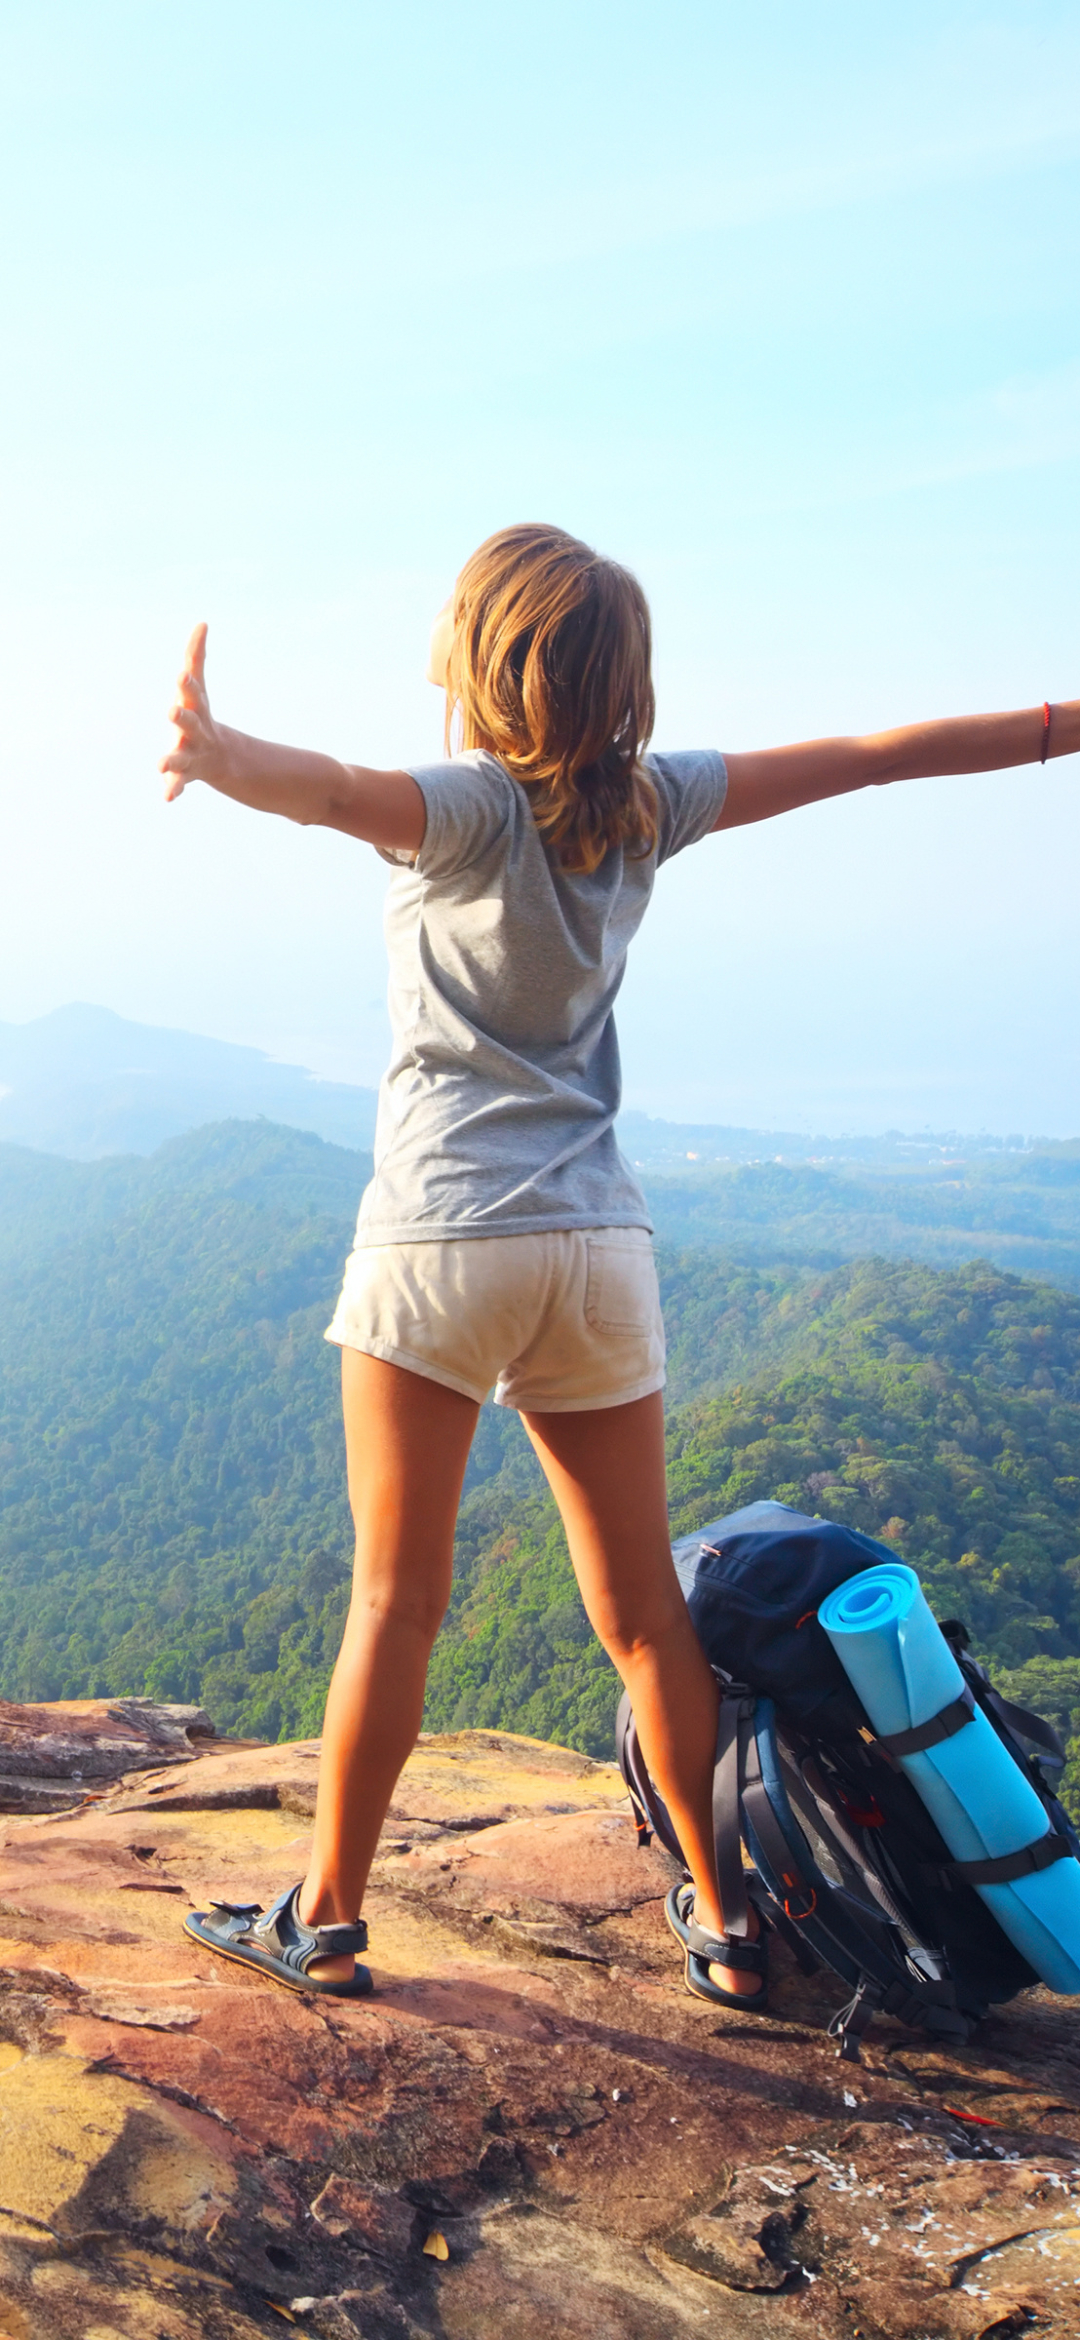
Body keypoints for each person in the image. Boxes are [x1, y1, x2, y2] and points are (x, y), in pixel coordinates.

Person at [167, 522, 1076, 2009]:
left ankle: (322, 1917)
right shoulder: (650, 807)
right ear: (621, 683)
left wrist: (219, 752)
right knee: (647, 1610)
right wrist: (1058, 727)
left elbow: (330, 790)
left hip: (445, 1236)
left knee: (397, 1600)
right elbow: (868, 754)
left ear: (483, 665)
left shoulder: (463, 806)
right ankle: (726, 1920)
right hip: (597, 1245)